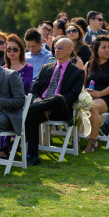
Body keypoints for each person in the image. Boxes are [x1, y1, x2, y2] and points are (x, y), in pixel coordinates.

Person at [24, 38, 85, 166]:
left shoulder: (77, 72)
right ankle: (33, 155)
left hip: (60, 110)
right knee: (33, 114)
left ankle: (38, 107)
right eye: (55, 47)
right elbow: (34, 90)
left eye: (60, 48)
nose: (56, 50)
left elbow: (72, 96)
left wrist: (46, 104)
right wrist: (37, 100)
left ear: (70, 50)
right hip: (39, 108)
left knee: (58, 98)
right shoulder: (46, 68)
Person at [82, 35, 109, 153]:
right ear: (96, 49)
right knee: (75, 105)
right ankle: (75, 139)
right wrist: (84, 90)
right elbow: (82, 82)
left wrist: (100, 93)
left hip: (108, 97)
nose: (107, 50)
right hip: (90, 96)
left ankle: (93, 140)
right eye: (104, 47)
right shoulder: (89, 64)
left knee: (93, 107)